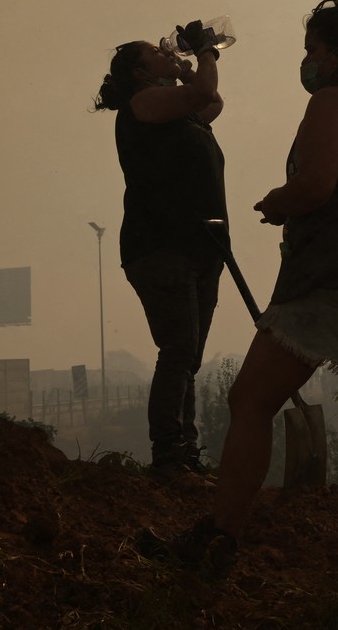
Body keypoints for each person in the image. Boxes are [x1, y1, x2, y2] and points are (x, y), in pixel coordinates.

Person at [146, 0, 338, 576]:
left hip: (329, 284)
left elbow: (318, 185)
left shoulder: (332, 102)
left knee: (250, 398)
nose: (308, 61)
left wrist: (278, 199)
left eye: (315, 50)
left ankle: (220, 536)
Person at [93, 29, 228, 479]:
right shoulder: (143, 104)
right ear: (139, 73)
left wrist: (187, 68)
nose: (163, 51)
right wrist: (206, 52)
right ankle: (169, 451)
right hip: (161, 246)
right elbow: (206, 92)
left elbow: (211, 102)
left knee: (187, 355)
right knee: (179, 348)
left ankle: (185, 450)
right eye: (155, 53)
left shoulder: (178, 112)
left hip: (201, 246)